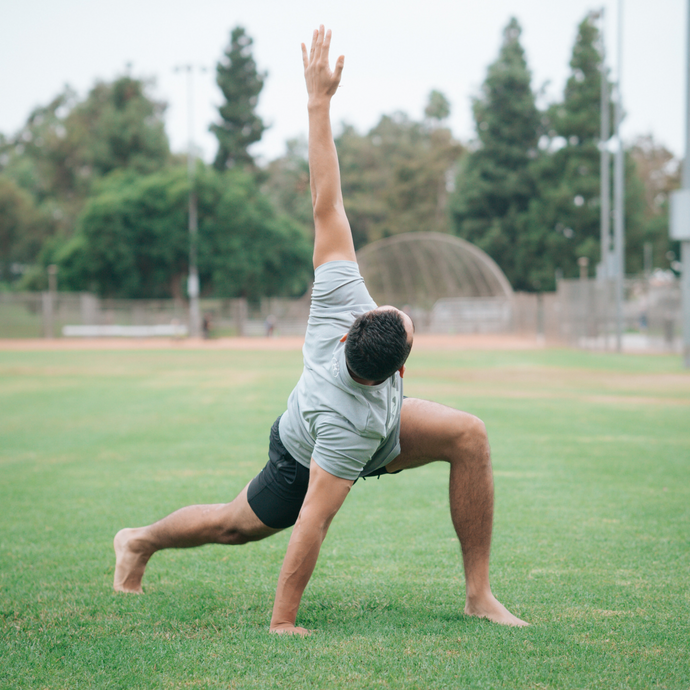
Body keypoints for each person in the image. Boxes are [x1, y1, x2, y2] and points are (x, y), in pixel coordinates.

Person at [113, 26, 528, 634]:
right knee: (234, 525)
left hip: (378, 427)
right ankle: (139, 541)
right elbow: (314, 519)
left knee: (469, 435)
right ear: (395, 364)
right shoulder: (345, 424)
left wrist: (318, 102)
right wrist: (284, 622)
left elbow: (326, 201)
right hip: (307, 448)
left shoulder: (342, 298)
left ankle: (479, 594)